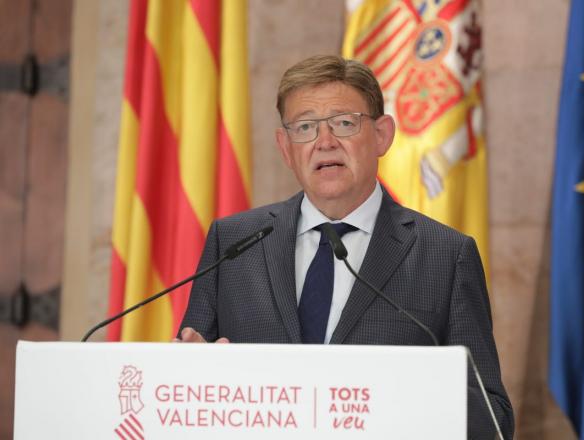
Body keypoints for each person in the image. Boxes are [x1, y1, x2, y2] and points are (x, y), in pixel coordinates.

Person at [177, 55, 514, 438]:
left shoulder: (445, 255)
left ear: (382, 135)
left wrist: (410, 387)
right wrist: (189, 374)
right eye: (304, 127)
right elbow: (190, 383)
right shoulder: (234, 242)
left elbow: (494, 421)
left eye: (343, 123)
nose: (324, 143)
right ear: (286, 148)